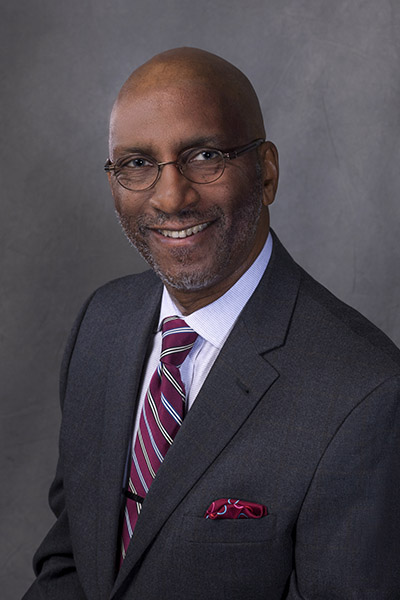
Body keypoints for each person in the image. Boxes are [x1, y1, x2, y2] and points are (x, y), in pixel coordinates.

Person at [24, 47, 400, 600]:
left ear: (265, 173)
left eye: (204, 156)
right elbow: (72, 558)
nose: (171, 196)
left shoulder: (364, 394)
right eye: (137, 163)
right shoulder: (100, 326)